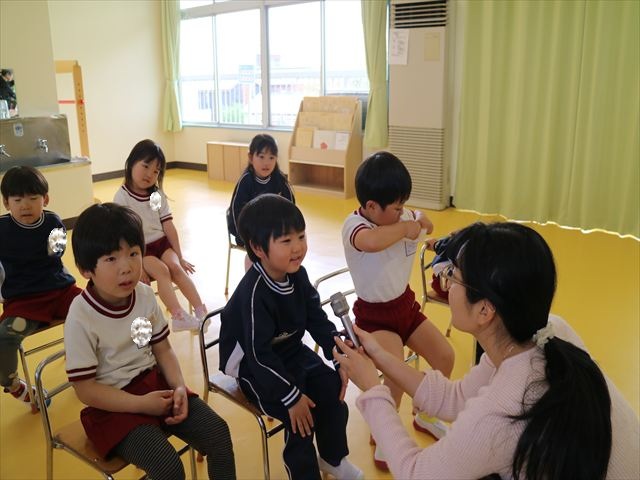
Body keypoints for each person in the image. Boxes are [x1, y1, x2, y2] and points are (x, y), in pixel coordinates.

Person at [334, 222, 640, 480]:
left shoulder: (501, 411)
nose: (446, 284)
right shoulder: (545, 331)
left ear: (484, 310)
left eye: (453, 276)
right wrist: (380, 357)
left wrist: (372, 389)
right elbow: (454, 398)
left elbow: (416, 473)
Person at [65, 203, 236, 480]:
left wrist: (179, 387)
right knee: (168, 467)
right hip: (112, 409)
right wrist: (140, 404)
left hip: (155, 387)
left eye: (133, 253)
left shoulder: (144, 296)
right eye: (111, 259)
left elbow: (163, 349)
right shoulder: (80, 316)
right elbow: (85, 390)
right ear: (86, 269)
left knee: (218, 433)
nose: (127, 268)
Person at [219, 194, 363, 480]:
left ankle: (333, 459)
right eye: (286, 241)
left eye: (301, 236)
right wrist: (291, 397)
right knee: (299, 415)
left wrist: (338, 356)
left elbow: (316, 319)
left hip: (288, 350)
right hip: (252, 365)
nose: (298, 247)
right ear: (258, 248)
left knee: (331, 388)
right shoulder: (254, 294)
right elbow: (259, 355)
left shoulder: (297, 275)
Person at [341, 151, 455, 467]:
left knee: (445, 357)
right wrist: (408, 227)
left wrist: (413, 220)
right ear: (371, 207)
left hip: (405, 306)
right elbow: (371, 242)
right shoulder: (354, 224)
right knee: (395, 374)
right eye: (396, 207)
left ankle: (425, 413)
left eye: (403, 205)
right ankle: (383, 435)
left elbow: (427, 223)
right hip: (374, 316)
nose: (402, 212)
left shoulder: (400, 217)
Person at [0, 166, 81, 407]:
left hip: (60, 290)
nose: (25, 205)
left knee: (96, 307)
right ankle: (14, 385)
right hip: (23, 300)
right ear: (6, 203)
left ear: (45, 199)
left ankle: (94, 358)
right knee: (4, 337)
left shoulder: (54, 222)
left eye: (33, 198)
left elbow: (57, 255)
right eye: (17, 200)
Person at [114, 139, 206, 332]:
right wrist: (138, 265)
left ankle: (202, 313)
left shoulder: (155, 195)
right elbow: (122, 236)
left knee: (175, 267)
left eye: (156, 171)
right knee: (163, 271)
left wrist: (180, 256)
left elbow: (168, 225)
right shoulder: (122, 197)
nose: (150, 174)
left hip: (161, 244)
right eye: (146, 166)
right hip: (141, 249)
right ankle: (178, 316)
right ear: (131, 163)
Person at [227, 134, 294, 270]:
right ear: (251, 157)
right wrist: (244, 237)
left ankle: (279, 278)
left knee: (287, 246)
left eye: (271, 158)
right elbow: (236, 211)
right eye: (261, 157)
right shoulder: (246, 181)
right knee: (260, 251)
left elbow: (290, 207)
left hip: (273, 230)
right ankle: (254, 279)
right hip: (248, 232)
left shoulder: (280, 180)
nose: (266, 163)